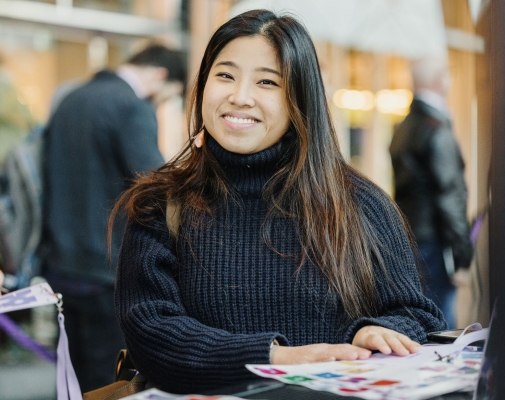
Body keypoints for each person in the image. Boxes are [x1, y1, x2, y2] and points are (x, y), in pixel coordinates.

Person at [111, 10, 446, 394]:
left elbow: (416, 314)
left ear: (299, 100)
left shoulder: (360, 203)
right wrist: (276, 358)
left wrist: (381, 332)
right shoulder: (160, 205)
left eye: (267, 82)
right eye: (225, 75)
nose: (240, 97)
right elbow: (152, 332)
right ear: (202, 85)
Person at [41, 44, 187, 392]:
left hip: (60, 263)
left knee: (73, 376)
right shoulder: (131, 107)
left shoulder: (70, 98)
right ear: (160, 75)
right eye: (169, 96)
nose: (161, 103)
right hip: (108, 269)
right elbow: (154, 185)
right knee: (109, 381)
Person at [389, 56, 473, 329]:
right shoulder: (436, 129)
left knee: (418, 317)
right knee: (442, 322)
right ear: (440, 80)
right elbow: (450, 195)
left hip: (407, 237)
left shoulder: (402, 128)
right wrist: (463, 252)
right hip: (435, 241)